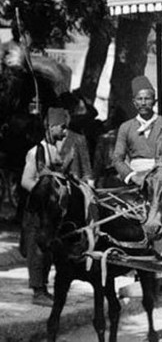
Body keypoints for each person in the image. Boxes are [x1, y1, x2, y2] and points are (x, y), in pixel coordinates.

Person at [20, 107, 69, 306]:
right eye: (62, 128)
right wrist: (46, 197)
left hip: (50, 213)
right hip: (37, 211)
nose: (65, 132)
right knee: (36, 249)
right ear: (52, 127)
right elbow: (26, 180)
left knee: (48, 250)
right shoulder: (36, 152)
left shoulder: (55, 150)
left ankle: (44, 289)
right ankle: (37, 291)